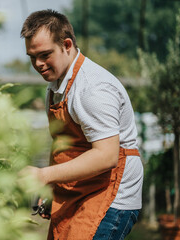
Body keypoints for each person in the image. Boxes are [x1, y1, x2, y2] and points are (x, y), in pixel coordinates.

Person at [20, 10, 143, 240]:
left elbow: (107, 156)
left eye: (45, 54)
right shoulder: (56, 85)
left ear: (66, 45)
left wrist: (45, 175)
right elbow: (62, 144)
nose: (38, 64)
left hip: (111, 195)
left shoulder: (92, 89)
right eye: (32, 57)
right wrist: (51, 187)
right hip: (82, 190)